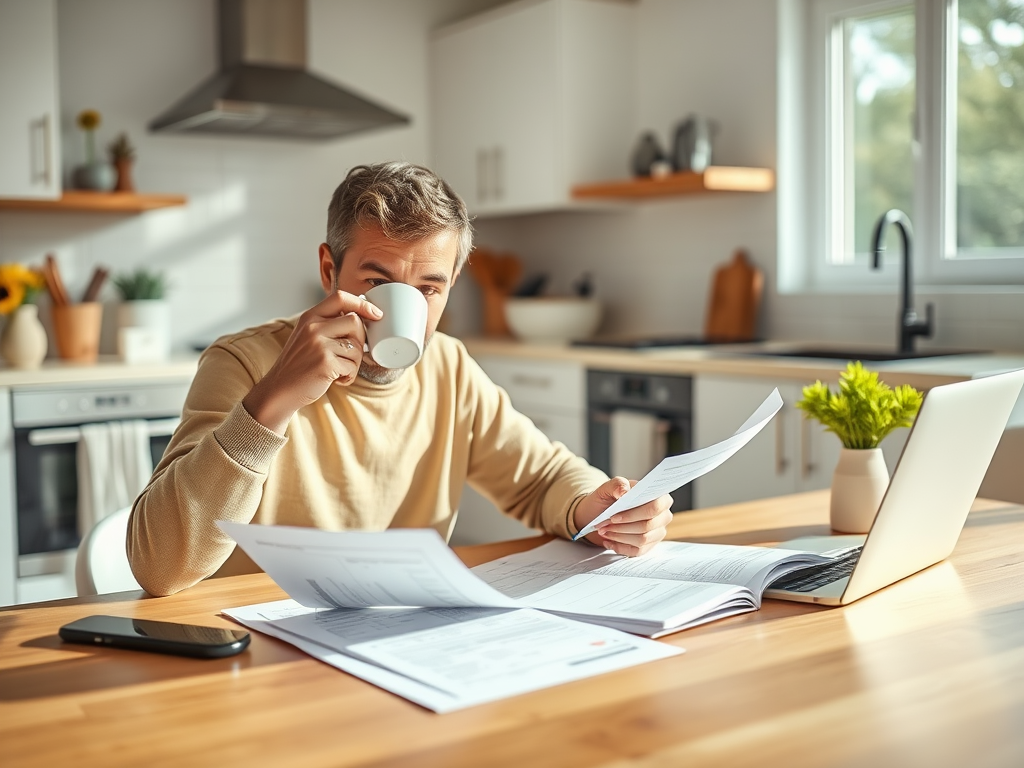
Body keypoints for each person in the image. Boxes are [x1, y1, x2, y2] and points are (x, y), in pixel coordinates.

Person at [127, 161, 673, 597]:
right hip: (254, 646)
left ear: (453, 283)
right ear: (328, 271)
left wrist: (598, 510)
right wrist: (269, 405)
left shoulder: (448, 366)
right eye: (378, 281)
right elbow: (159, 568)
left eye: (429, 288)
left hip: (393, 639)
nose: (400, 310)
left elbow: (541, 477)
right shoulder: (243, 363)